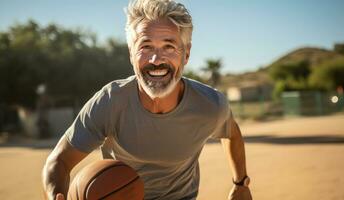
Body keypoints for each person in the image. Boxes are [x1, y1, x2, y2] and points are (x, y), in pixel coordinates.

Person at [42, 0, 252, 199]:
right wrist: (55, 196)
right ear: (131, 53)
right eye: (146, 46)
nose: (156, 60)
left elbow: (231, 133)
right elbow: (59, 161)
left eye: (169, 46)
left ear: (186, 54)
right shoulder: (110, 102)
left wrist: (240, 184)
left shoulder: (209, 104)